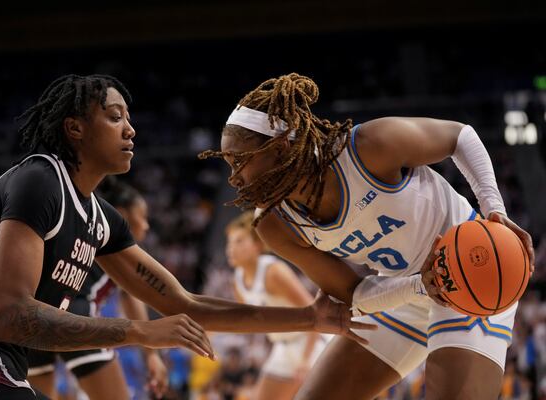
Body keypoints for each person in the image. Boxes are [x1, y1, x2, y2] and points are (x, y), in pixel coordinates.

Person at [0, 74, 370, 400]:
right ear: (74, 128)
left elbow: (185, 305)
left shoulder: (102, 220)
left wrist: (313, 318)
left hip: (4, 364)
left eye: (129, 118)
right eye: (114, 117)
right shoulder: (40, 180)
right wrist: (138, 332)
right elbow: (7, 315)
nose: (130, 129)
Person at [199, 72, 535, 399]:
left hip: (469, 271)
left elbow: (460, 137)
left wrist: (495, 210)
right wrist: (419, 286)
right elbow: (352, 292)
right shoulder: (274, 225)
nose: (235, 179)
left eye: (239, 161)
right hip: (402, 290)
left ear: (282, 146)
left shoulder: (368, 147)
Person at [26, 177, 168, 399]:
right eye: (143, 217)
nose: (147, 225)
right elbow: (133, 296)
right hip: (77, 318)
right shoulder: (117, 249)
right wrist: (151, 355)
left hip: (34, 320)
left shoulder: (81, 230)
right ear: (121, 214)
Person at [225, 211, 328, 400]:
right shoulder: (237, 279)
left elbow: (316, 313)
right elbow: (246, 321)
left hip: (311, 342)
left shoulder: (273, 272)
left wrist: (305, 360)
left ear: (257, 245)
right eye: (229, 242)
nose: (231, 248)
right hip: (282, 346)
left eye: (239, 241)